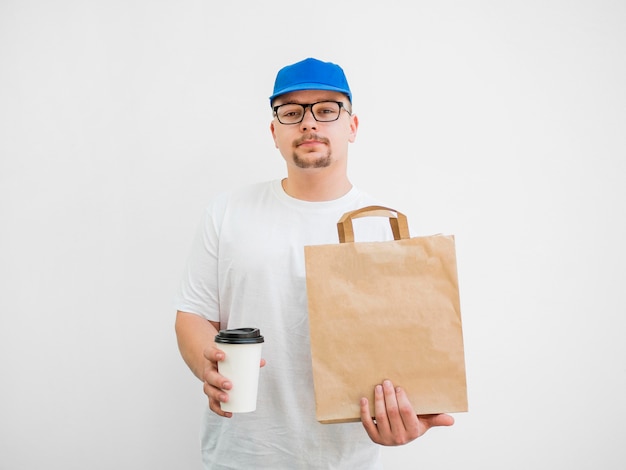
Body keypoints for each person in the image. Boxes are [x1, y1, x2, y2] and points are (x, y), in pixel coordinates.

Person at [174, 57, 454, 469]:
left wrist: (410, 415)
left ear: (352, 127)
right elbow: (193, 316)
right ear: (274, 132)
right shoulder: (228, 211)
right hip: (240, 455)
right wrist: (208, 366)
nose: (309, 123)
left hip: (343, 458)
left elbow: (407, 354)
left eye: (326, 110)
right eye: (291, 112)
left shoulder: (383, 229)